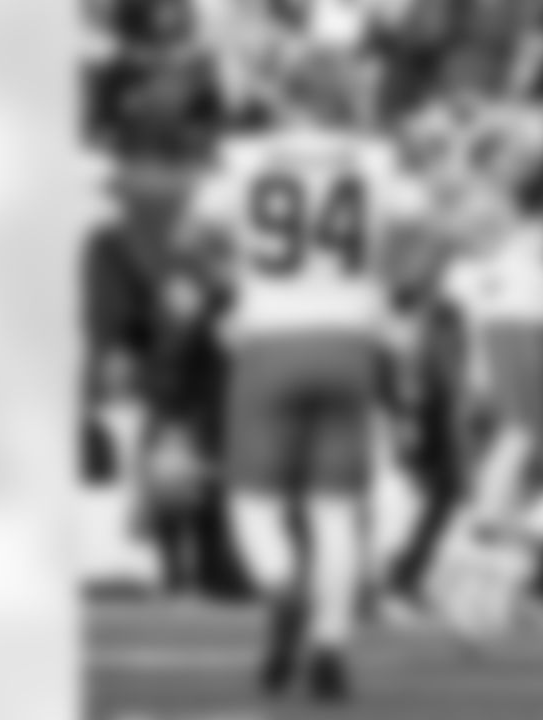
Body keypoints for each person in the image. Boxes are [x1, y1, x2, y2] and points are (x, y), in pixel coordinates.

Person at [174, 53, 430, 702]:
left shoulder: (244, 159)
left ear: (287, 99)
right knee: (335, 510)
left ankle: (284, 587)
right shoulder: (377, 161)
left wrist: (233, 290)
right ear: (345, 100)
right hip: (350, 341)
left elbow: (188, 242)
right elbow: (430, 240)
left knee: (252, 503)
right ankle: (331, 644)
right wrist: (390, 299)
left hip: (270, 336)